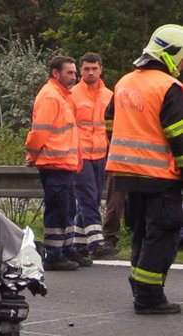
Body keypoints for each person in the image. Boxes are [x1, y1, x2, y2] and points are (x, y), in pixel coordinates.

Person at [105, 24, 183, 314]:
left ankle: (140, 287)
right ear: (171, 56)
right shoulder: (169, 88)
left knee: (140, 232)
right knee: (163, 232)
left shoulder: (125, 82)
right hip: (160, 176)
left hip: (127, 174)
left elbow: (109, 122)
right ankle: (149, 298)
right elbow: (179, 136)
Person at [26, 55, 86, 271]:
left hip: (64, 163)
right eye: (69, 73)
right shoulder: (52, 97)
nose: (74, 77)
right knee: (58, 209)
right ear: (55, 73)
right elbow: (39, 131)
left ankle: (67, 248)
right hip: (54, 163)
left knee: (68, 207)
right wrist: (33, 155)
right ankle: (53, 254)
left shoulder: (61, 97)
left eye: (73, 72)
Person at [71, 52, 119, 260]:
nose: (91, 72)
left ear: (101, 69)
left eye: (94, 68)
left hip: (101, 155)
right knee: (89, 197)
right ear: (80, 70)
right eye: (86, 69)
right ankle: (96, 241)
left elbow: (115, 128)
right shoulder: (72, 95)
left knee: (91, 197)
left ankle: (79, 245)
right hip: (79, 155)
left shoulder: (109, 95)